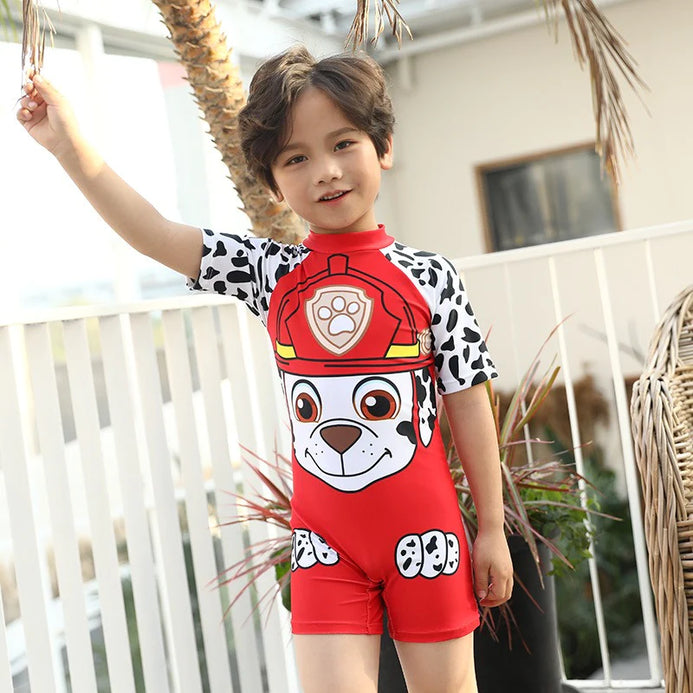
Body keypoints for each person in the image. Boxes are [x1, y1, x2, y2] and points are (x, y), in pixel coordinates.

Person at [18, 44, 513, 693]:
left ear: (383, 147)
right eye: (295, 158)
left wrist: (492, 527)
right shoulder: (271, 273)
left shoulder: (431, 276)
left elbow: (468, 401)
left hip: (427, 540)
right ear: (273, 182)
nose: (326, 171)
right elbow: (155, 232)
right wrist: (67, 146)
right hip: (323, 546)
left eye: (343, 143)